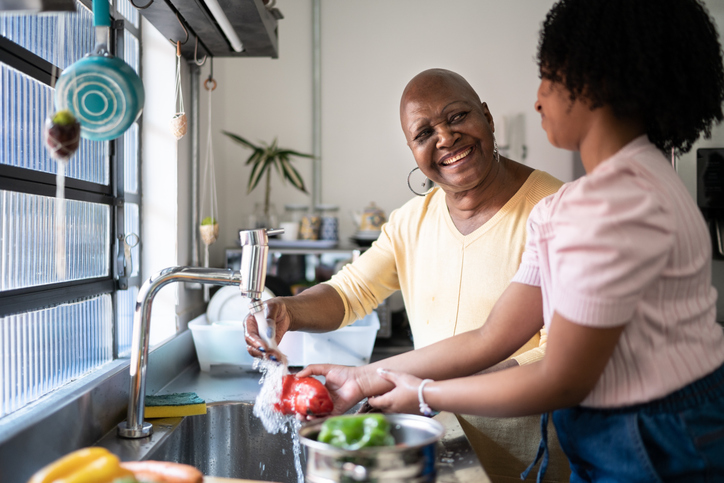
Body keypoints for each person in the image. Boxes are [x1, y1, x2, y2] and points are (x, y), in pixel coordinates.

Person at [298, 0, 724, 481]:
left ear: (595, 82)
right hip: (624, 430)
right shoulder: (574, 205)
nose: (538, 99)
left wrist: (423, 394)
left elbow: (560, 378)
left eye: (548, 78)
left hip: (657, 439)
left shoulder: (611, 205)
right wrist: (366, 378)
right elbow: (493, 336)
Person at [246, 68, 569, 480]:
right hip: (444, 447)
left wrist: (437, 392)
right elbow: (349, 292)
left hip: (534, 462)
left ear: (487, 116)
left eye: (457, 117)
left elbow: (555, 354)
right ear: (413, 151)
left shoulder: (555, 209)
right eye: (424, 134)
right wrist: (287, 310)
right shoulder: (411, 222)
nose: (446, 138)